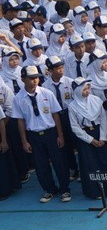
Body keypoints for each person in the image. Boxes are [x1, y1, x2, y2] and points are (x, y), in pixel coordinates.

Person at [12, 65, 71, 203]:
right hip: (33, 135)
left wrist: (60, 135)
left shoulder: (46, 93)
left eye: (37, 78)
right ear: (23, 79)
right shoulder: (18, 98)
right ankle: (49, 189)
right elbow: (20, 121)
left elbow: (55, 114)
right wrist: (24, 141)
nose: (34, 81)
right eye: (31, 78)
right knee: (40, 165)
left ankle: (64, 189)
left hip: (50, 132)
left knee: (59, 162)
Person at [68, 77, 107, 198]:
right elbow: (75, 127)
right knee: (91, 165)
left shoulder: (96, 100)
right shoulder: (72, 106)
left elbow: (103, 118)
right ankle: (96, 192)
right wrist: (91, 140)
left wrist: (102, 137)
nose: (87, 91)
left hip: (100, 133)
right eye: (84, 89)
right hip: (86, 137)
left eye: (88, 88)